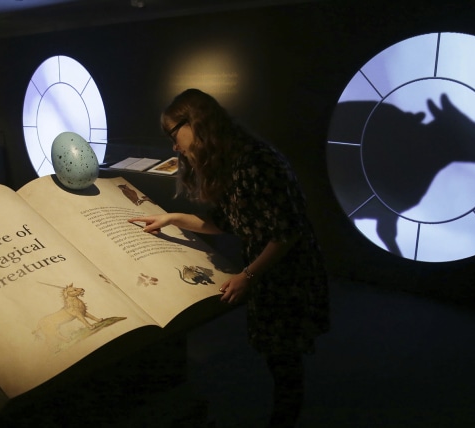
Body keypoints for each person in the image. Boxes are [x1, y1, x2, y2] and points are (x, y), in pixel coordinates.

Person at [128, 88, 330, 427]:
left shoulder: (256, 161)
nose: (174, 146)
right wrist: (171, 218)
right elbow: (223, 222)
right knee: (277, 356)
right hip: (267, 271)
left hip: (287, 273)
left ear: (195, 122)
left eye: (173, 134)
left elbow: (286, 233)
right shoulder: (233, 161)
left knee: (285, 360)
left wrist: (248, 275)